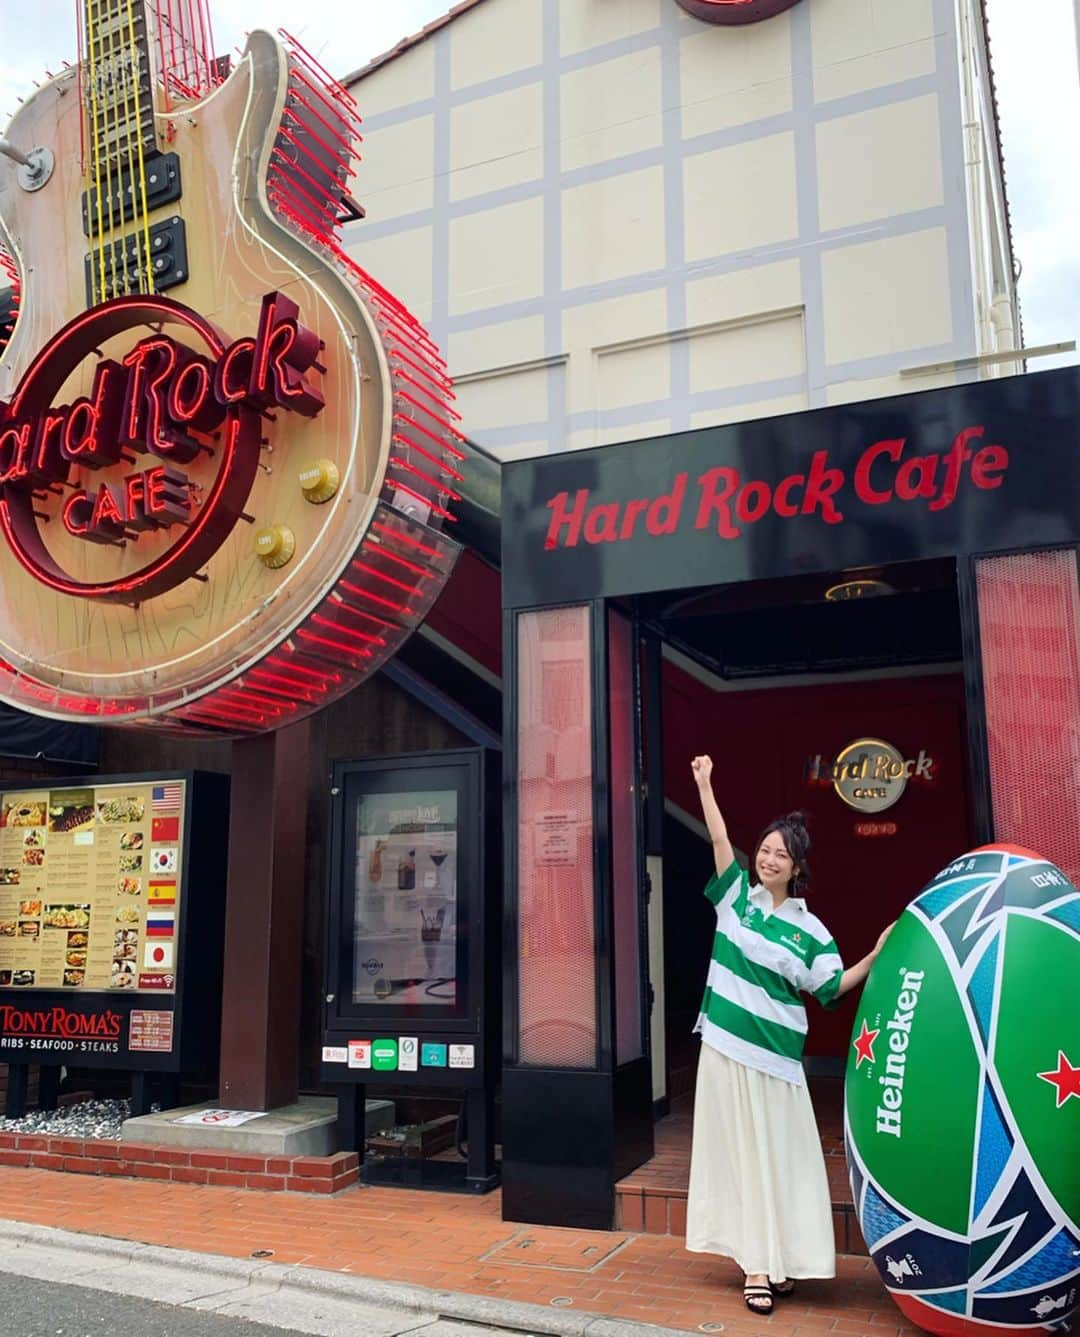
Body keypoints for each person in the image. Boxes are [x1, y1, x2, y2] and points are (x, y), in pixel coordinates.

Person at [686, 754, 892, 1316]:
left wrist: (874, 955)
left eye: (781, 854)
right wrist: (706, 783)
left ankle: (782, 1258)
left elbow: (831, 988)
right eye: (766, 850)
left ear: (797, 866)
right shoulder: (735, 900)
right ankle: (756, 1265)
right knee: (740, 1158)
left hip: (777, 1062)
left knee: (781, 1160)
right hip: (726, 1050)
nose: (769, 859)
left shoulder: (813, 933)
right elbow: (720, 838)